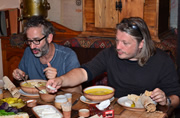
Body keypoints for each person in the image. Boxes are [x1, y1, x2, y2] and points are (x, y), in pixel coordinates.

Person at [46, 17, 180, 108]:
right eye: (117, 40)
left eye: (125, 43)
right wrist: (61, 80)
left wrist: (166, 100)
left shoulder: (162, 60)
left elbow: (176, 98)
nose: (118, 47)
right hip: (116, 112)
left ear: (141, 44)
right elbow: (83, 72)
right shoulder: (110, 54)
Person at [12, 16, 81, 93]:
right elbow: (25, 80)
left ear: (49, 38)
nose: (32, 46)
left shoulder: (68, 56)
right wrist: (20, 76)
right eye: (29, 41)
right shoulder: (28, 52)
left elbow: (77, 91)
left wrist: (56, 80)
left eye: (36, 40)